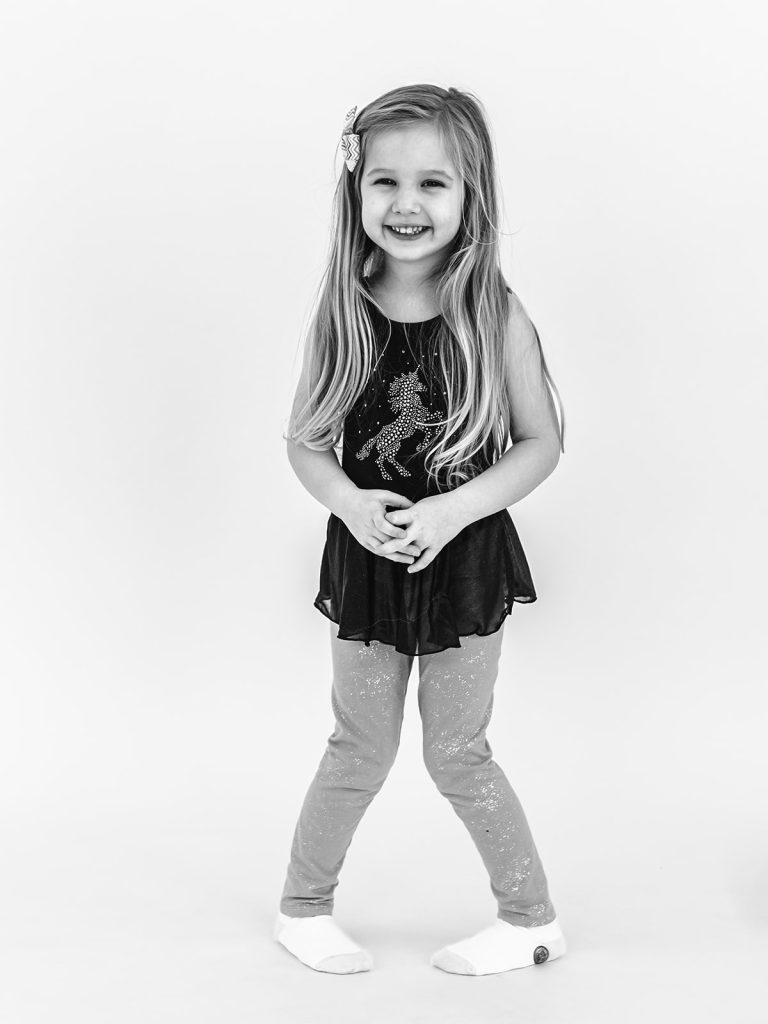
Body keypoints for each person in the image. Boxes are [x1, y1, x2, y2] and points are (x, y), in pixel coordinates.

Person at [275, 84, 567, 977]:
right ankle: (303, 908)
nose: (406, 205)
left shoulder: (495, 316)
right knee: (358, 745)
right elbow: (304, 442)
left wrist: (450, 511)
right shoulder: (342, 312)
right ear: (355, 191)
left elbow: (540, 444)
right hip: (368, 561)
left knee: (457, 750)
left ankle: (530, 919)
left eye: (433, 184)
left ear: (471, 194)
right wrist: (353, 504)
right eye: (387, 182)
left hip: (464, 562)